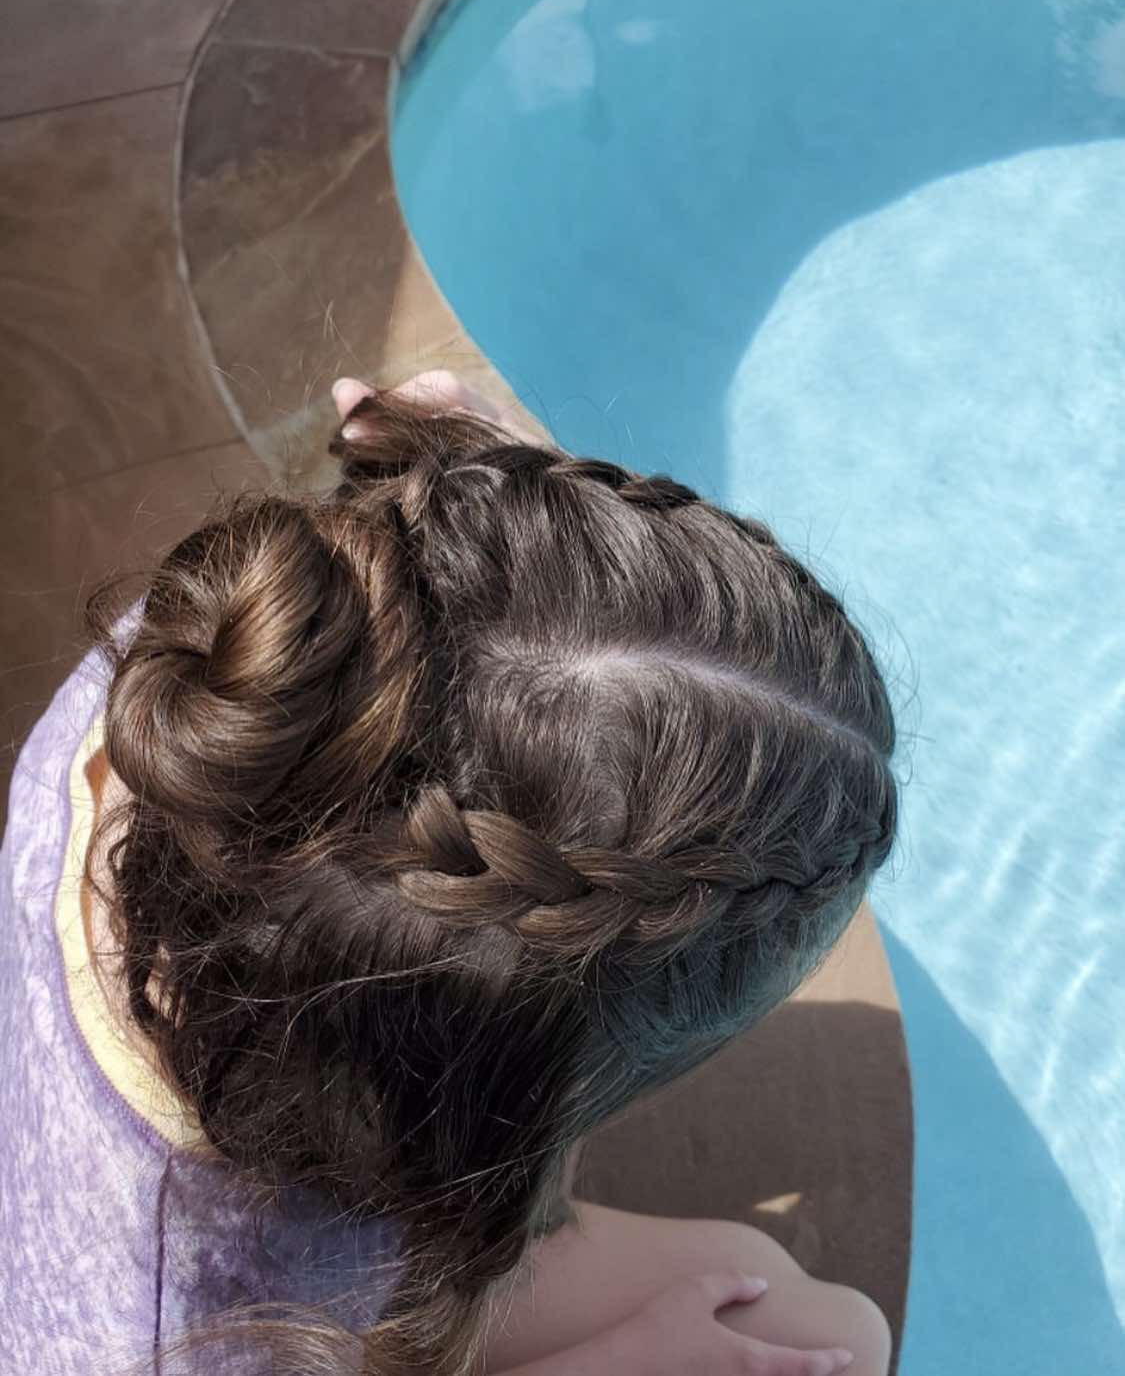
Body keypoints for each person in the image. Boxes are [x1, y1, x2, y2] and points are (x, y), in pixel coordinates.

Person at [0, 370, 898, 1376]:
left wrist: (492, 496)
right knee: (827, 1338)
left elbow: (498, 679)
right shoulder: (193, 1336)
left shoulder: (185, 699)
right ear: (474, 1121)